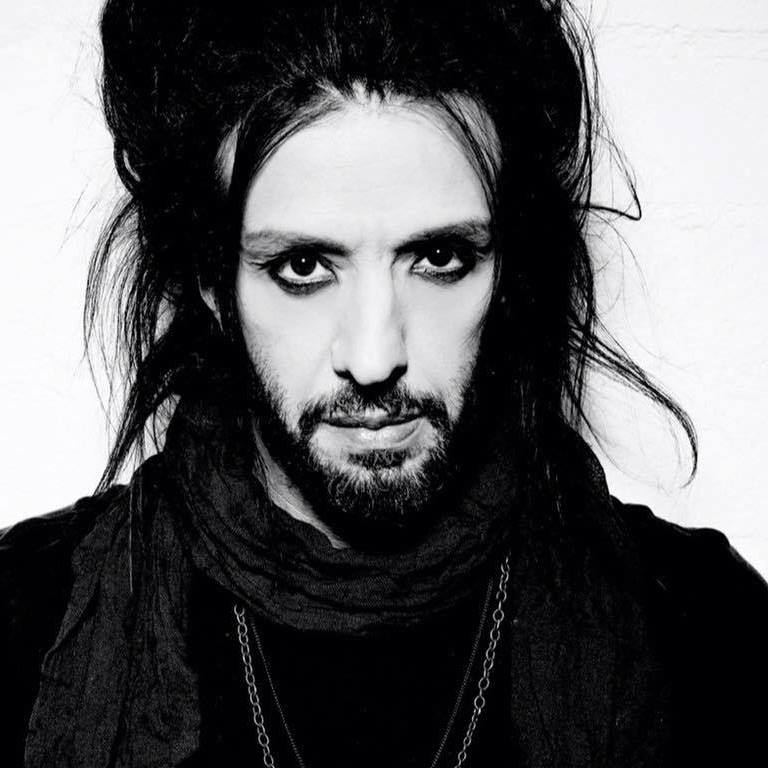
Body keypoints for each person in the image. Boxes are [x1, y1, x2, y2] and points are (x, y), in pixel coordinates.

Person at [2, 0, 767, 766]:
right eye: (303, 266)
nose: (373, 359)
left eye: (438, 259)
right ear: (212, 282)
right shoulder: (26, 618)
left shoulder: (706, 629)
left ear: (509, 272)